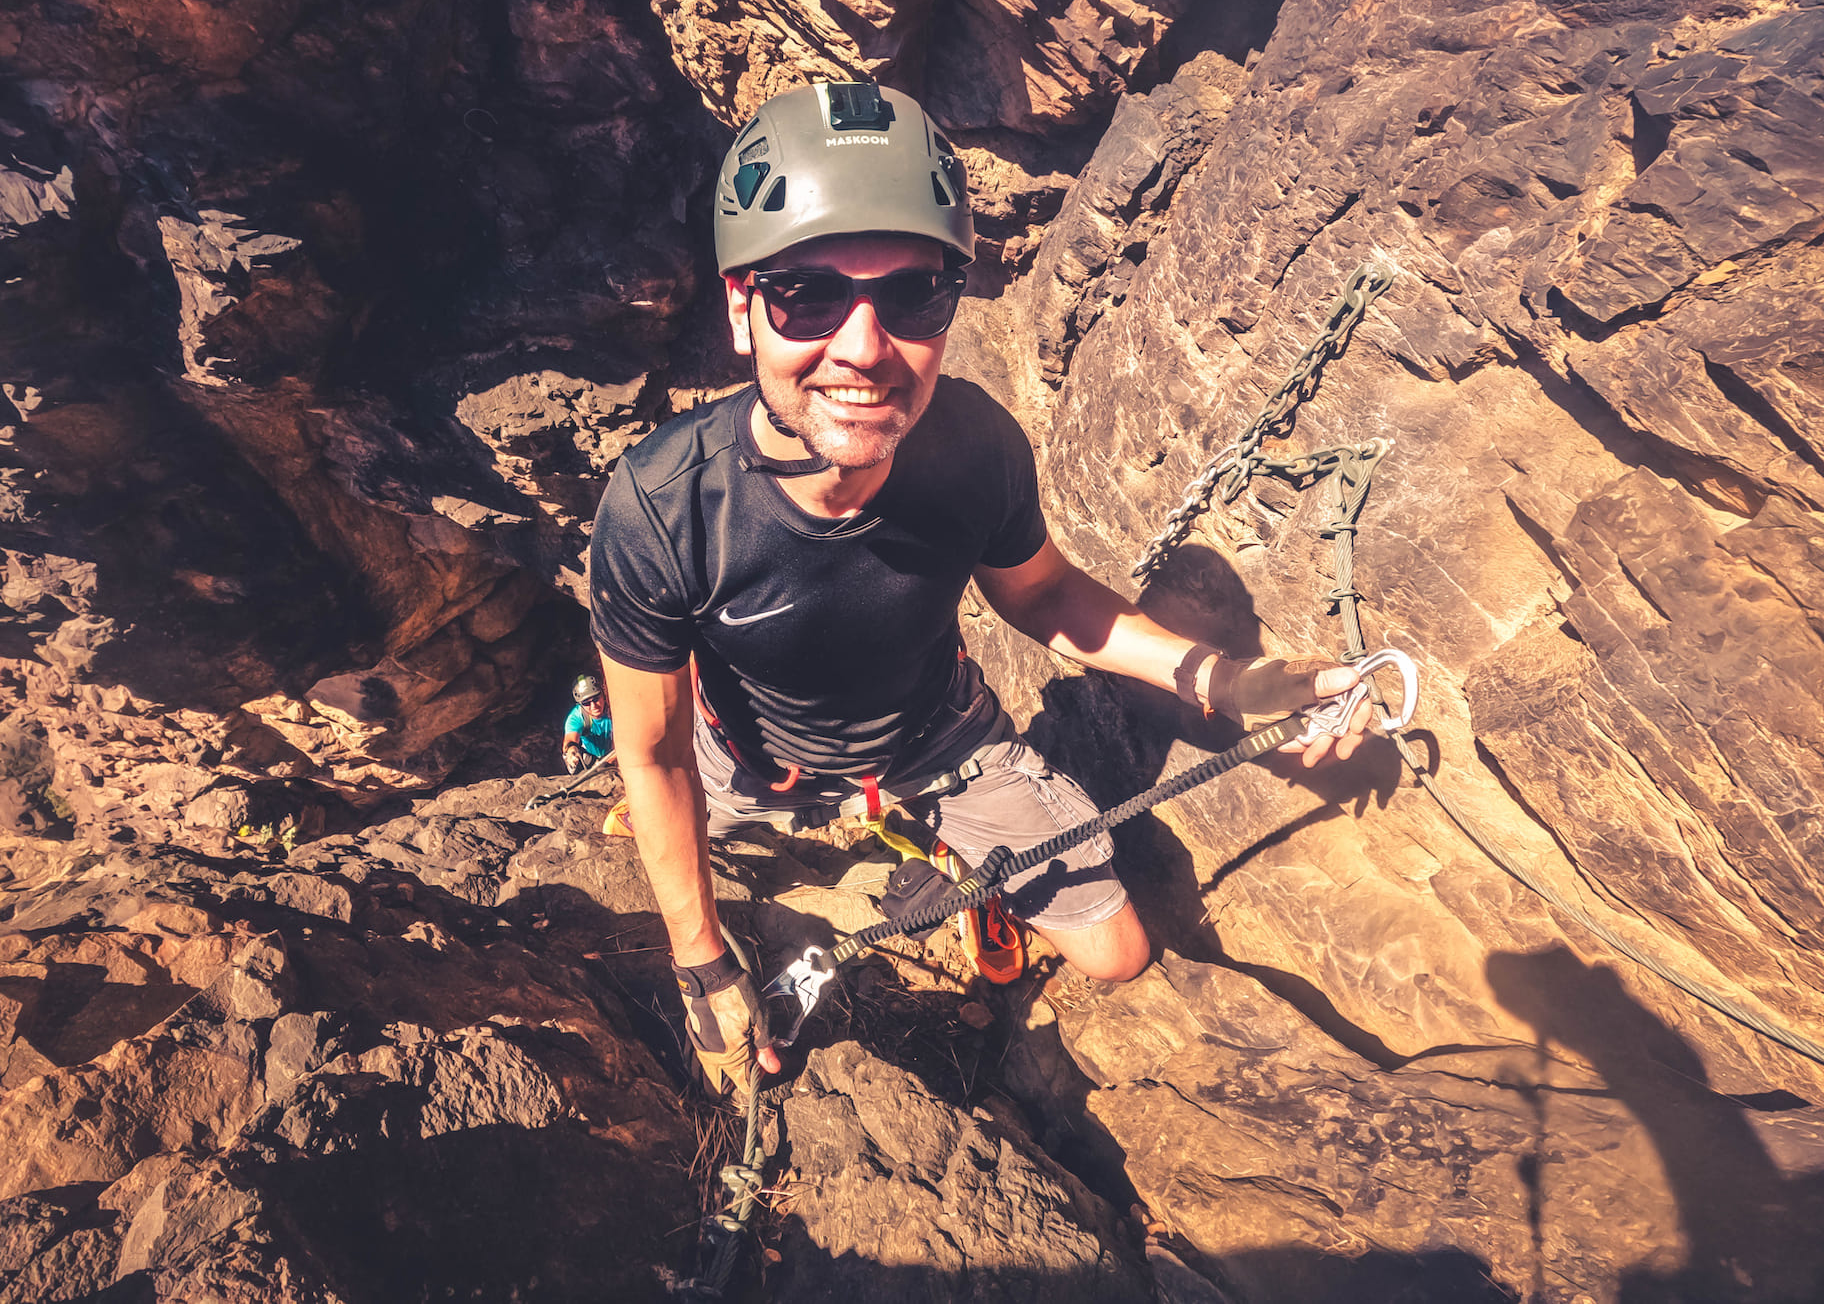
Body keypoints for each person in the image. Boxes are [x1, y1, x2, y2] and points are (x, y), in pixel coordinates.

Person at [586, 81, 1372, 1098]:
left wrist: (1229, 683)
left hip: (937, 745)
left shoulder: (971, 446)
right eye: (807, 295)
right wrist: (702, 966)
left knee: (1117, 956)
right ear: (743, 310)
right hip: (746, 757)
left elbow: (1045, 600)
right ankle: (757, 825)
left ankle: (967, 870)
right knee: (662, 817)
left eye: (913, 294)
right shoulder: (661, 508)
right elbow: (652, 754)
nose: (863, 347)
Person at [561, 674, 613, 774]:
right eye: (586, 703)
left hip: (619, 754)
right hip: (594, 761)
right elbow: (570, 741)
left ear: (603, 695)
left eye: (596, 699)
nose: (593, 706)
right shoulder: (577, 717)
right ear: (580, 704)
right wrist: (572, 751)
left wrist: (609, 761)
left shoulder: (615, 709)